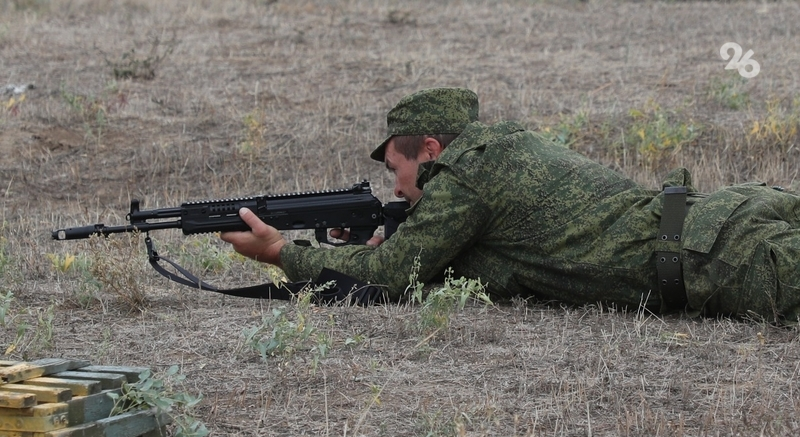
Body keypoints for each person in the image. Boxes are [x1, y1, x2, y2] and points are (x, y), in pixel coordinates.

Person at [221, 87, 800, 324]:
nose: (396, 189)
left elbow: (394, 278)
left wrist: (279, 252)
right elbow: (492, 267)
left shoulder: (465, 178)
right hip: (731, 213)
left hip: (721, 256)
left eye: (397, 171)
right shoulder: (506, 146)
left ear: (430, 149)